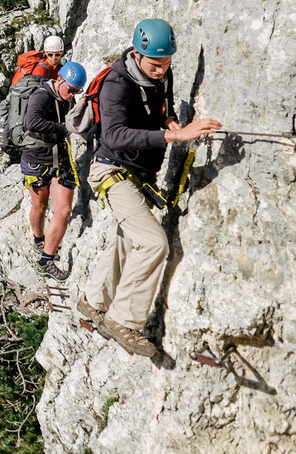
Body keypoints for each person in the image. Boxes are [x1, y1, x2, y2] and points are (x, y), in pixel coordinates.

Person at [77, 19, 221, 356]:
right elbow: (113, 135)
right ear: (138, 55)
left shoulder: (162, 75)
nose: (161, 71)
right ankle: (124, 321)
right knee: (154, 242)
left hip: (139, 174)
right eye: (155, 64)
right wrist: (174, 135)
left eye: (167, 63)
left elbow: (162, 109)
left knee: (128, 239)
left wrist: (170, 121)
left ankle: (93, 302)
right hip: (112, 170)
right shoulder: (117, 84)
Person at [22, 60, 87, 280]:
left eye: (77, 91)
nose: (72, 94)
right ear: (59, 79)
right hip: (37, 159)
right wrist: (61, 129)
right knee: (40, 205)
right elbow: (31, 122)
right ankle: (38, 239)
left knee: (64, 209)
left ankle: (46, 260)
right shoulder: (41, 96)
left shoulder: (69, 97)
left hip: (60, 158)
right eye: (71, 89)